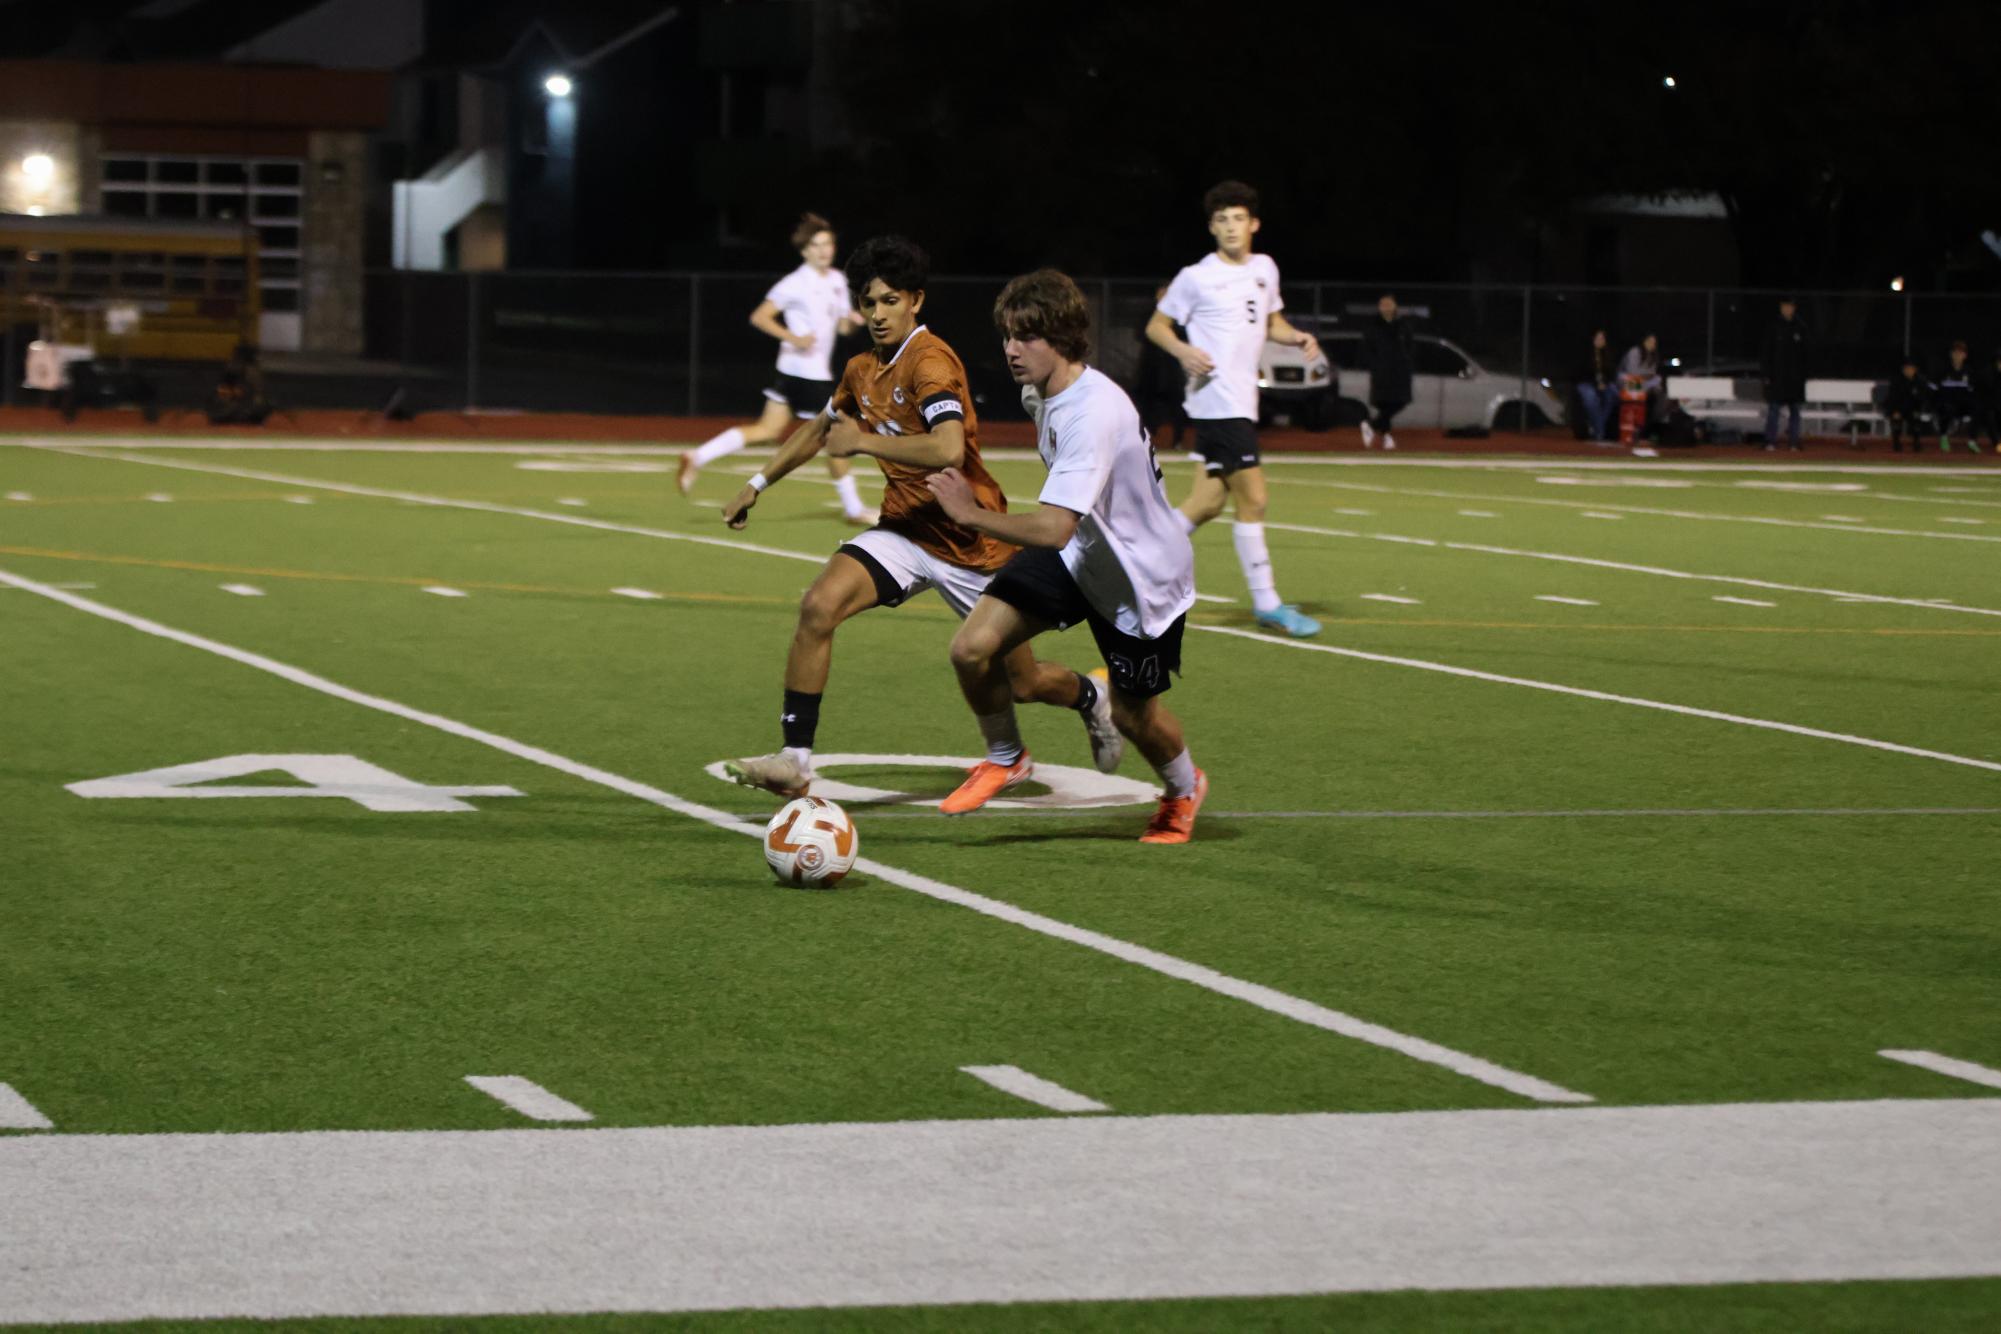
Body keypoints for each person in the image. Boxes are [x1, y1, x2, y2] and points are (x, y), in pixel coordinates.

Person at [717, 236, 1118, 799]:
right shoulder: (862, 368)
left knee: (1024, 682)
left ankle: (1090, 698)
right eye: (868, 302)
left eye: (889, 301)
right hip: (906, 531)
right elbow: (817, 429)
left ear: (916, 301)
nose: (877, 314)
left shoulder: (930, 362)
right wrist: (756, 484)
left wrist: (860, 443)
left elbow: (948, 448)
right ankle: (794, 758)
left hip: (972, 541)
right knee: (818, 606)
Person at [927, 269, 1205, 843]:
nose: (1010, 349)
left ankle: (1183, 789)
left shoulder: (1091, 412)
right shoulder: (1040, 390)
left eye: (1026, 336)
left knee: (1134, 718)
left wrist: (970, 513)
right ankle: (1007, 757)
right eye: (1007, 334)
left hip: (1140, 581)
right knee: (971, 648)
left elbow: (1053, 527)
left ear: (1065, 339)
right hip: (1083, 553)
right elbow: (1066, 529)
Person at [1144, 179, 1322, 639]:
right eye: (1222, 220)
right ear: (1212, 227)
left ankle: (1137, 559)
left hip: (1241, 400)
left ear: (1254, 223)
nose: (1230, 227)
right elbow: (1156, 327)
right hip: (1217, 400)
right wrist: (1183, 351)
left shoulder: (1265, 268)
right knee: (1255, 499)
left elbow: (1270, 322)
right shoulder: (1196, 276)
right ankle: (1267, 604)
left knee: (1205, 503)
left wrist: (1297, 335)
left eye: (1238, 218)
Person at [678, 213, 875, 524]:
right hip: (804, 374)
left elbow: (840, 328)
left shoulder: (837, 281)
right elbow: (760, 317)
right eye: (817, 245)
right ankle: (853, 508)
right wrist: (792, 336)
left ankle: (697, 456)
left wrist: (851, 322)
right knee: (834, 434)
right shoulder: (794, 283)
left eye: (828, 244)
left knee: (767, 430)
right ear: (805, 250)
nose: (825, 250)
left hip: (800, 372)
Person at [1133, 284, 1189, 454]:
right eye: (1162, 294)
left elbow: (1185, 334)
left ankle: (1178, 439)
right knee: (1145, 403)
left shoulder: (1178, 315)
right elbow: (1140, 333)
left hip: (1172, 366)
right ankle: (1145, 439)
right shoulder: (1149, 313)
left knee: (1177, 402)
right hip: (1150, 366)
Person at [1359, 294, 1414, 451]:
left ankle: (1370, 425)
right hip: (1382, 373)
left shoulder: (1403, 325)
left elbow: (1410, 346)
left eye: (1389, 304)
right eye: (1383, 304)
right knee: (1385, 404)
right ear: (1379, 307)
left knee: (1400, 402)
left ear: (1395, 306)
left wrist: (1407, 362)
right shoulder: (1373, 326)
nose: (1386, 307)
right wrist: (1375, 365)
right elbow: (1367, 349)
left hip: (1400, 372)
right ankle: (1386, 437)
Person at [1760, 297, 1809, 452]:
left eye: (1790, 306)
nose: (1787, 309)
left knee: (1795, 411)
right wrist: (1766, 374)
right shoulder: (1773, 327)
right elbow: (1766, 353)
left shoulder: (1800, 327)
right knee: (1773, 410)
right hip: (1777, 378)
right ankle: (1770, 441)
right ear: (1781, 308)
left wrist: (1804, 375)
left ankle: (1794, 442)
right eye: (1784, 306)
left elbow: (1806, 355)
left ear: (1794, 308)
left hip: (1795, 380)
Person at [1933, 341, 1984, 453]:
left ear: (1965, 355)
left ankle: (1972, 441)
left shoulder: (1969, 372)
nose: (1957, 356)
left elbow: (1973, 391)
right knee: (1945, 409)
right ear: (1951, 354)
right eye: (1955, 353)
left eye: (1960, 353)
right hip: (1946, 404)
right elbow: (1935, 388)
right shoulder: (1943, 370)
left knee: (1978, 410)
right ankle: (1944, 437)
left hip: (1963, 405)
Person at [1574, 329, 1618, 442]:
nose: (1600, 341)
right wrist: (1596, 384)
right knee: (1591, 397)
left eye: (1602, 339)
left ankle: (1597, 427)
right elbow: (1581, 373)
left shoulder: (1607, 354)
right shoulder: (1585, 353)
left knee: (1613, 393)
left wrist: (1604, 383)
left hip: (1603, 384)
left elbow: (1611, 373)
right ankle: (1600, 432)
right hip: (1586, 383)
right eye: (1598, 338)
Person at [1883, 355, 1930, 453]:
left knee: (1916, 420)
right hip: (1898, 408)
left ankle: (1917, 443)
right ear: (1903, 369)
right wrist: (1894, 411)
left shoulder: (1920, 381)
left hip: (1913, 409)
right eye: (1906, 368)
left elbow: (1923, 398)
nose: (1909, 370)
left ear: (1915, 369)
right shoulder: (1896, 380)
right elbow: (1892, 398)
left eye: (1911, 368)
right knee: (1896, 419)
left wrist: (1919, 410)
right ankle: (1896, 443)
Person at [1619, 333, 1663, 436]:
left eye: (1654, 343)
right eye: (1650, 342)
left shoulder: (1653, 355)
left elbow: (1653, 373)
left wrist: (1649, 379)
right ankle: (1637, 430)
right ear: (1644, 342)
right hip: (1629, 382)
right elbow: (1632, 372)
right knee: (1641, 399)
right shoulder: (1635, 352)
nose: (1652, 344)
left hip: (1644, 384)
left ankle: (1646, 430)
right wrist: (1646, 376)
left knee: (1657, 393)